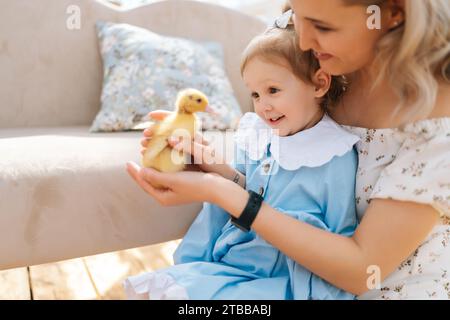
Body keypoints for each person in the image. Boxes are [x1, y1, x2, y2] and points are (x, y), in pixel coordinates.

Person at [126, 0, 450, 299]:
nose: (304, 41)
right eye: (297, 16)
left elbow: (361, 271)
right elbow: (288, 193)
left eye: (322, 27)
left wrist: (221, 192)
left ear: (394, 12)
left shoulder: (437, 130)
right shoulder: (328, 71)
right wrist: (222, 173)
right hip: (285, 277)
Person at [123, 18, 360, 300]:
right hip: (235, 262)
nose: (263, 105)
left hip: (284, 283)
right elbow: (244, 191)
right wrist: (214, 169)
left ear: (319, 84)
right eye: (255, 94)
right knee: (156, 291)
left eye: (273, 90)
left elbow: (340, 239)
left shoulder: (335, 152)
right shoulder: (258, 135)